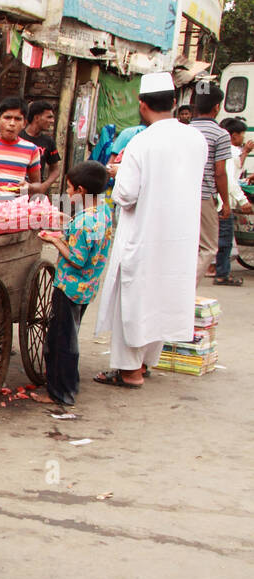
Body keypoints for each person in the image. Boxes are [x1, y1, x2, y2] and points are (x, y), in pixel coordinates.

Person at [92, 73, 208, 388]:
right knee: (163, 297)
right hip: (180, 235)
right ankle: (144, 363)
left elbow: (126, 194)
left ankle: (129, 371)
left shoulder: (142, 141)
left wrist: (119, 173)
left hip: (143, 233)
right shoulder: (196, 138)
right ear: (173, 102)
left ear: (142, 105)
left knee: (133, 299)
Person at [30, 162, 112, 407]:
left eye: (69, 189)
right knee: (70, 336)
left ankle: (60, 392)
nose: (67, 194)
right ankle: (69, 384)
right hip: (88, 287)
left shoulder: (83, 223)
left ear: (82, 190)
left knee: (61, 341)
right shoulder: (104, 212)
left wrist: (54, 241)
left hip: (70, 287)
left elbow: (77, 259)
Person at [190, 84, 231, 281]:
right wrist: (226, 202)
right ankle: (187, 289)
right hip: (204, 196)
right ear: (217, 107)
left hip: (180, 194)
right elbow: (220, 172)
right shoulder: (221, 134)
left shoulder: (185, 130)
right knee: (208, 247)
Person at [216, 117, 253, 285]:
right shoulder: (229, 150)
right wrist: (242, 200)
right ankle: (222, 274)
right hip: (224, 203)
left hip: (216, 201)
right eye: (241, 135)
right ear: (233, 135)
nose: (243, 138)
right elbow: (230, 180)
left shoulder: (226, 150)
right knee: (224, 240)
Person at [22, 100, 61, 195]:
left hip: (34, 192)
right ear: (37, 117)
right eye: (49, 117)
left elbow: (55, 169)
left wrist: (44, 185)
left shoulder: (48, 141)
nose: (52, 121)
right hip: (15, 189)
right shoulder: (18, 137)